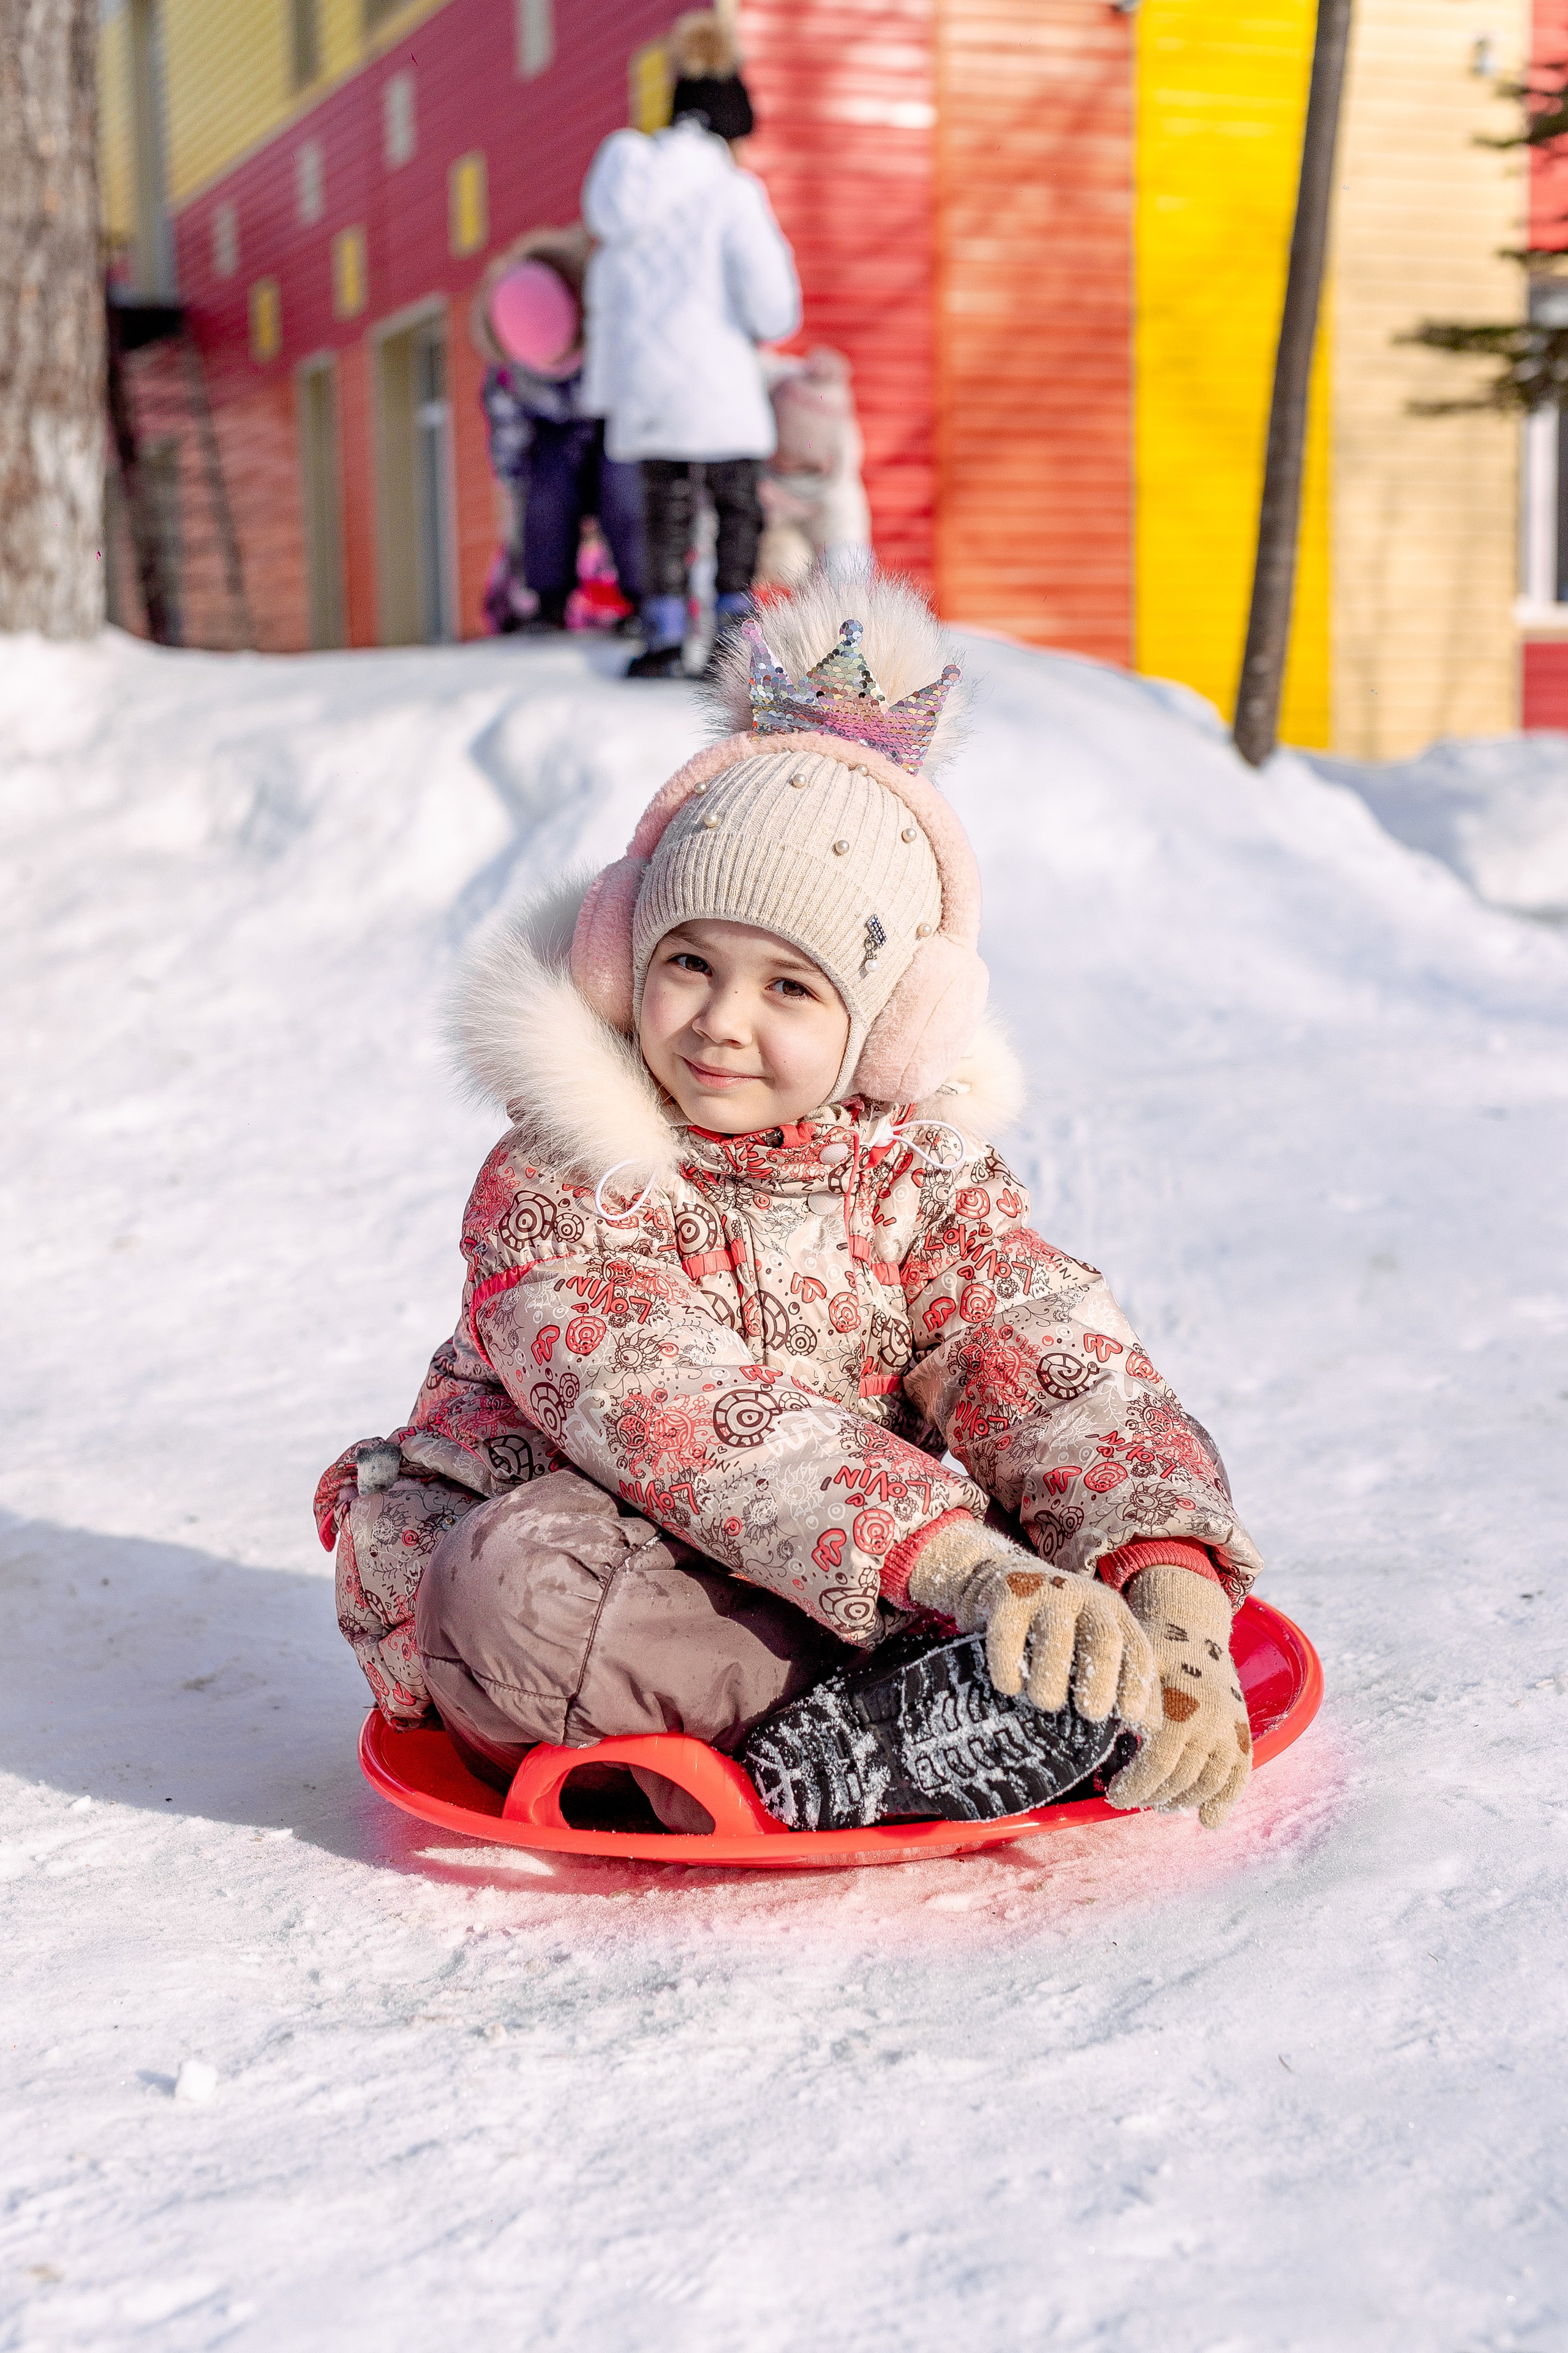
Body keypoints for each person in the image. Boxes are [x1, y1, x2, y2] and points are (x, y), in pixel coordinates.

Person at [315, 569, 1263, 1837]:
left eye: (790, 990)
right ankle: (898, 1719)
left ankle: (1010, 1695)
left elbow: (1043, 1356)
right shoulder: (556, 1180)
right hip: (617, 1582)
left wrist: (1171, 1598)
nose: (720, 1022)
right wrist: (968, 1570)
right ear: (620, 954)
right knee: (505, 1589)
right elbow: (672, 1410)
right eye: (689, 964)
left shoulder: (909, 1176)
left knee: (1038, 1452)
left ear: (886, 1023)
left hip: (844, 1568)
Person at [580, 12, 799, 679]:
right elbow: (772, 306)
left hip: (645, 386)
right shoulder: (732, 193)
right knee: (735, 505)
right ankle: (733, 638)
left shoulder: (628, 187)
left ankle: (666, 634)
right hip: (720, 387)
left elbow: (605, 294)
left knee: (663, 511)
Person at [469, 227, 644, 634]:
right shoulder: (508, 381)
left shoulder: (614, 334)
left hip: (614, 439)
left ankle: (644, 596)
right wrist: (519, 505)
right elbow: (510, 454)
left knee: (625, 482)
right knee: (545, 485)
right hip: (555, 454)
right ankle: (547, 601)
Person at [756, 347, 873, 589]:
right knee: (785, 560)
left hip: (825, 521)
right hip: (769, 527)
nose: (794, 467)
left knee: (848, 566)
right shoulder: (773, 384)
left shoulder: (840, 477)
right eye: (788, 461)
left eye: (804, 466)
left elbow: (846, 533)